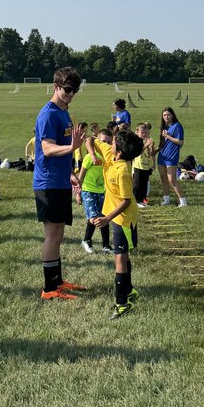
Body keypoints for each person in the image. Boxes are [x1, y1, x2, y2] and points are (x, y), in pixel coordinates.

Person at [33, 66, 84, 300]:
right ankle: (48, 288)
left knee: (59, 234)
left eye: (75, 90)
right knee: (52, 235)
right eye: (67, 89)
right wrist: (72, 148)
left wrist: (70, 173)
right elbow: (47, 148)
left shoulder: (64, 112)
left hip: (60, 181)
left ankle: (58, 281)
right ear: (56, 87)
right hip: (48, 183)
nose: (71, 94)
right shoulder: (48, 114)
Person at [86, 125, 142, 318]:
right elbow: (89, 140)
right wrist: (93, 155)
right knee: (123, 256)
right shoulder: (111, 156)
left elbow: (126, 201)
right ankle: (129, 290)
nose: (109, 144)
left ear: (119, 151)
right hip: (115, 217)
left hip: (124, 219)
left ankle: (122, 303)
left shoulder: (123, 172)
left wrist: (106, 218)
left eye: (113, 143)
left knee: (120, 258)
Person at [78, 127, 111, 254]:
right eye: (104, 141)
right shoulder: (89, 157)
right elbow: (80, 176)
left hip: (102, 191)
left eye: (109, 142)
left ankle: (106, 245)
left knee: (104, 216)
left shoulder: (108, 157)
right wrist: (78, 193)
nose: (106, 144)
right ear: (98, 141)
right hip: (88, 190)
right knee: (94, 217)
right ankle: (86, 240)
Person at [157, 108, 186, 207]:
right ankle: (166, 199)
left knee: (172, 180)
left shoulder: (177, 126)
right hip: (162, 156)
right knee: (163, 178)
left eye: (168, 115)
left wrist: (168, 136)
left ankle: (183, 201)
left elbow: (180, 141)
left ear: (172, 115)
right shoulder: (164, 126)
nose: (166, 117)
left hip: (171, 156)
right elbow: (162, 142)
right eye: (164, 115)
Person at [132, 122, 155, 209]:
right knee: (137, 185)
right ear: (137, 132)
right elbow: (138, 152)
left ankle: (142, 200)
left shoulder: (146, 140)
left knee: (144, 184)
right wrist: (146, 145)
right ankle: (136, 200)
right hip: (138, 166)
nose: (144, 134)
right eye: (142, 132)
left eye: (146, 132)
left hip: (146, 166)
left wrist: (151, 147)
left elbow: (150, 154)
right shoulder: (136, 141)